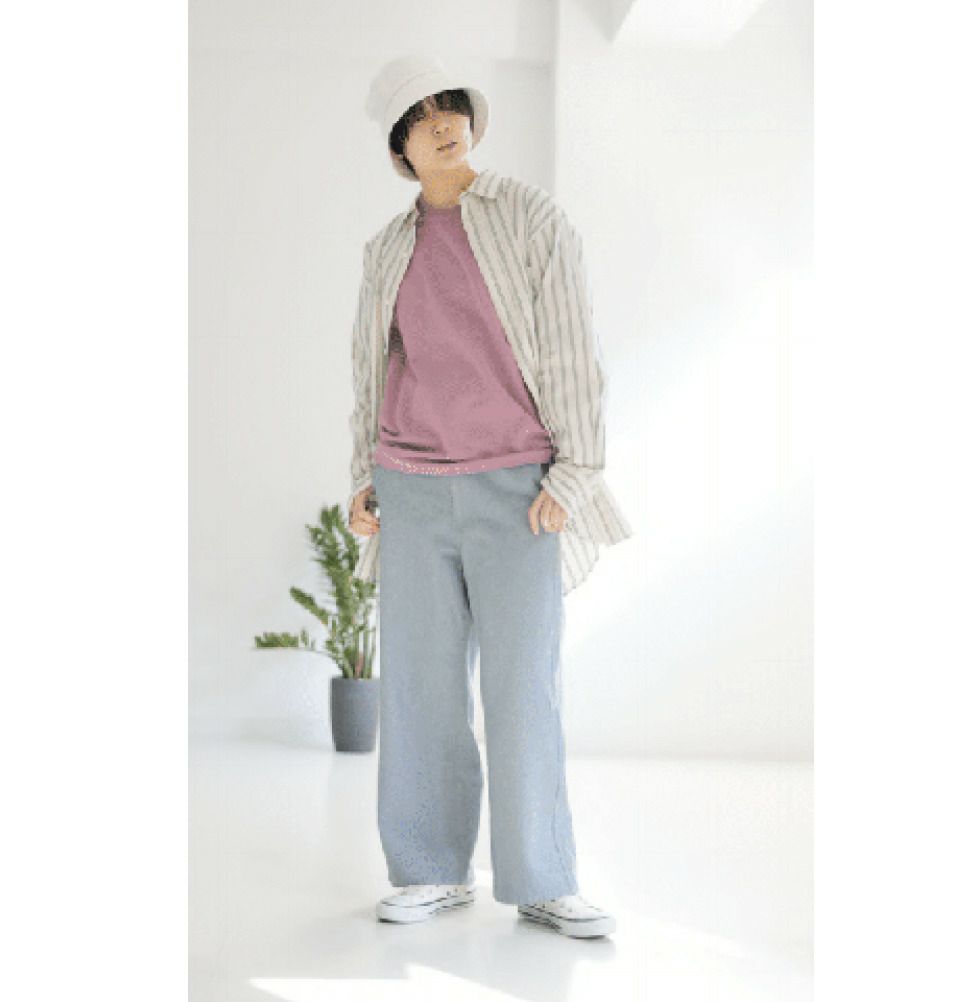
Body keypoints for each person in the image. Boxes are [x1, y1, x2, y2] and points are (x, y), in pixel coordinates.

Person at [348, 53, 630, 938]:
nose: (443, 123)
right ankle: (430, 870)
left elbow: (574, 350)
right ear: (400, 146)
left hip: (518, 489)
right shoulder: (386, 250)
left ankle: (543, 878)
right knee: (419, 694)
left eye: (453, 107)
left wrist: (574, 473)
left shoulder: (533, 219)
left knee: (523, 689)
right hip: (412, 488)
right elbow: (369, 373)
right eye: (421, 116)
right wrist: (362, 477)